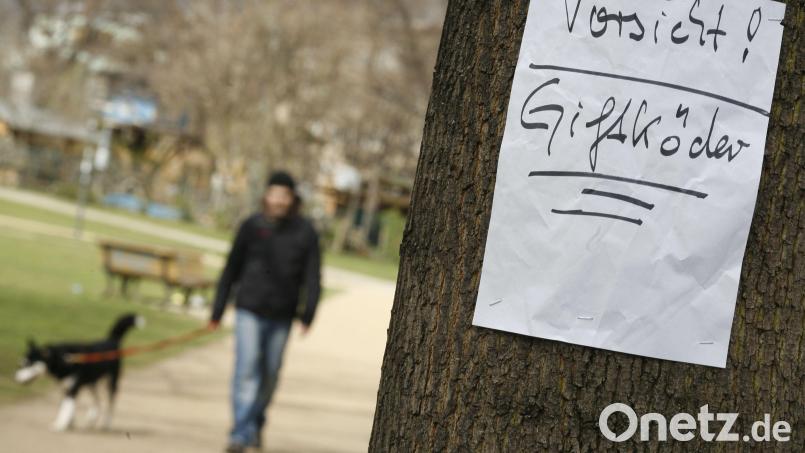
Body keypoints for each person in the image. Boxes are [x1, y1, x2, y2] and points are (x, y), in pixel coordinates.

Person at [208, 171, 321, 453]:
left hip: (282, 315)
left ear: (293, 199)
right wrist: (217, 310)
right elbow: (231, 268)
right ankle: (240, 433)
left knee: (269, 375)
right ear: (266, 196)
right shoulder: (251, 225)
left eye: (285, 195)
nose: (279, 200)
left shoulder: (305, 231)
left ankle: (255, 421)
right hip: (249, 309)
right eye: (274, 194)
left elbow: (313, 275)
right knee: (246, 370)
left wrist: (308, 314)